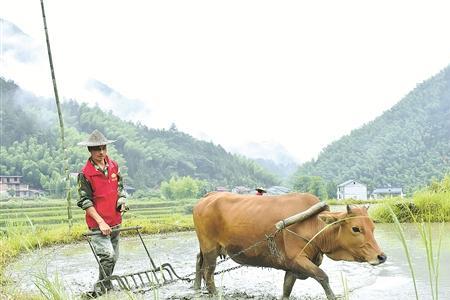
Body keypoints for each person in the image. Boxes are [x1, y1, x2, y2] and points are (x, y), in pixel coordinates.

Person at [77, 129, 126, 297]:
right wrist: (100, 222)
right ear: (90, 151)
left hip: (115, 220)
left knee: (114, 258)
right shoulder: (85, 174)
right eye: (97, 149)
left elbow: (120, 187)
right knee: (108, 256)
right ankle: (100, 289)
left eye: (103, 148)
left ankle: (106, 286)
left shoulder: (113, 166)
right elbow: (85, 202)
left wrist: (121, 201)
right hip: (98, 224)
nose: (101, 152)